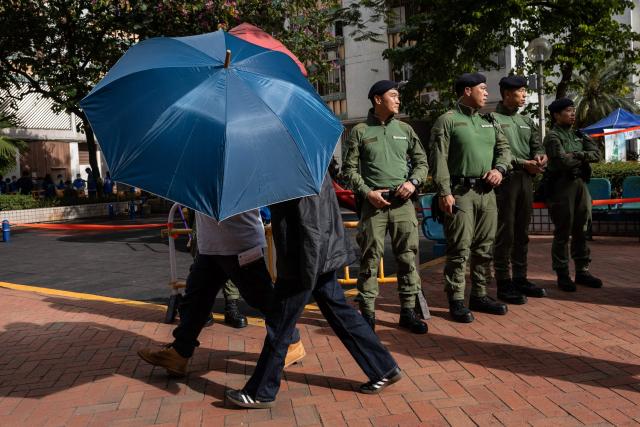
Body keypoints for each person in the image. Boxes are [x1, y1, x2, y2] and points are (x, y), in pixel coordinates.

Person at [226, 174, 402, 409]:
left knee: (280, 324)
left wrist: (308, 267)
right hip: (314, 256)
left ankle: (261, 391)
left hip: (304, 260)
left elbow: (310, 221)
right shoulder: (306, 162)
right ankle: (383, 368)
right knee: (339, 311)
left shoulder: (295, 171)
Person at [137, 209, 305, 377]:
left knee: (262, 297)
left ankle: (290, 340)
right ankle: (180, 352)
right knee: (195, 300)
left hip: (240, 242)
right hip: (210, 244)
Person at [342, 79, 429, 334]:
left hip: (403, 203)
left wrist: (413, 183)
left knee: (407, 257)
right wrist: (367, 193)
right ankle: (367, 313)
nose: (398, 100)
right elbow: (349, 170)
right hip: (374, 206)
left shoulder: (405, 129)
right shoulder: (360, 131)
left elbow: (422, 162)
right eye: (394, 95)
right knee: (369, 258)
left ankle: (408, 311)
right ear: (378, 99)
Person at [429, 72, 512, 323]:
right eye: (482, 88)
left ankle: (480, 294)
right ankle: (455, 300)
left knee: (485, 248)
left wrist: (499, 169)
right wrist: (444, 192)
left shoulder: (489, 121)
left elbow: (504, 150)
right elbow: (438, 159)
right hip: (460, 194)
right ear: (467, 91)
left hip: (487, 193)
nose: (487, 93)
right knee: (459, 249)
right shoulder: (447, 121)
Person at [492, 75, 548, 304]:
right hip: (505, 181)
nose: (525, 94)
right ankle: (504, 282)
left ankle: (520, 277)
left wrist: (540, 157)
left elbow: (537, 144)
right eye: (520, 91)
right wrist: (522, 163)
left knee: (522, 232)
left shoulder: (527, 120)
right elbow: (495, 152)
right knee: (505, 233)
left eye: (525, 91)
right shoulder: (491, 119)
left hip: (526, 180)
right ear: (507, 94)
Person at [543, 98, 603, 292]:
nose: (572, 114)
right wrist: (582, 157)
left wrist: (576, 155)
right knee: (563, 231)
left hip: (580, 185)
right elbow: (562, 162)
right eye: (568, 111)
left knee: (581, 229)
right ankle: (562, 273)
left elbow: (596, 155)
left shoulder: (578, 134)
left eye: (573, 110)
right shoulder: (553, 137)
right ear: (556, 115)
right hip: (562, 187)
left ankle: (582, 271)